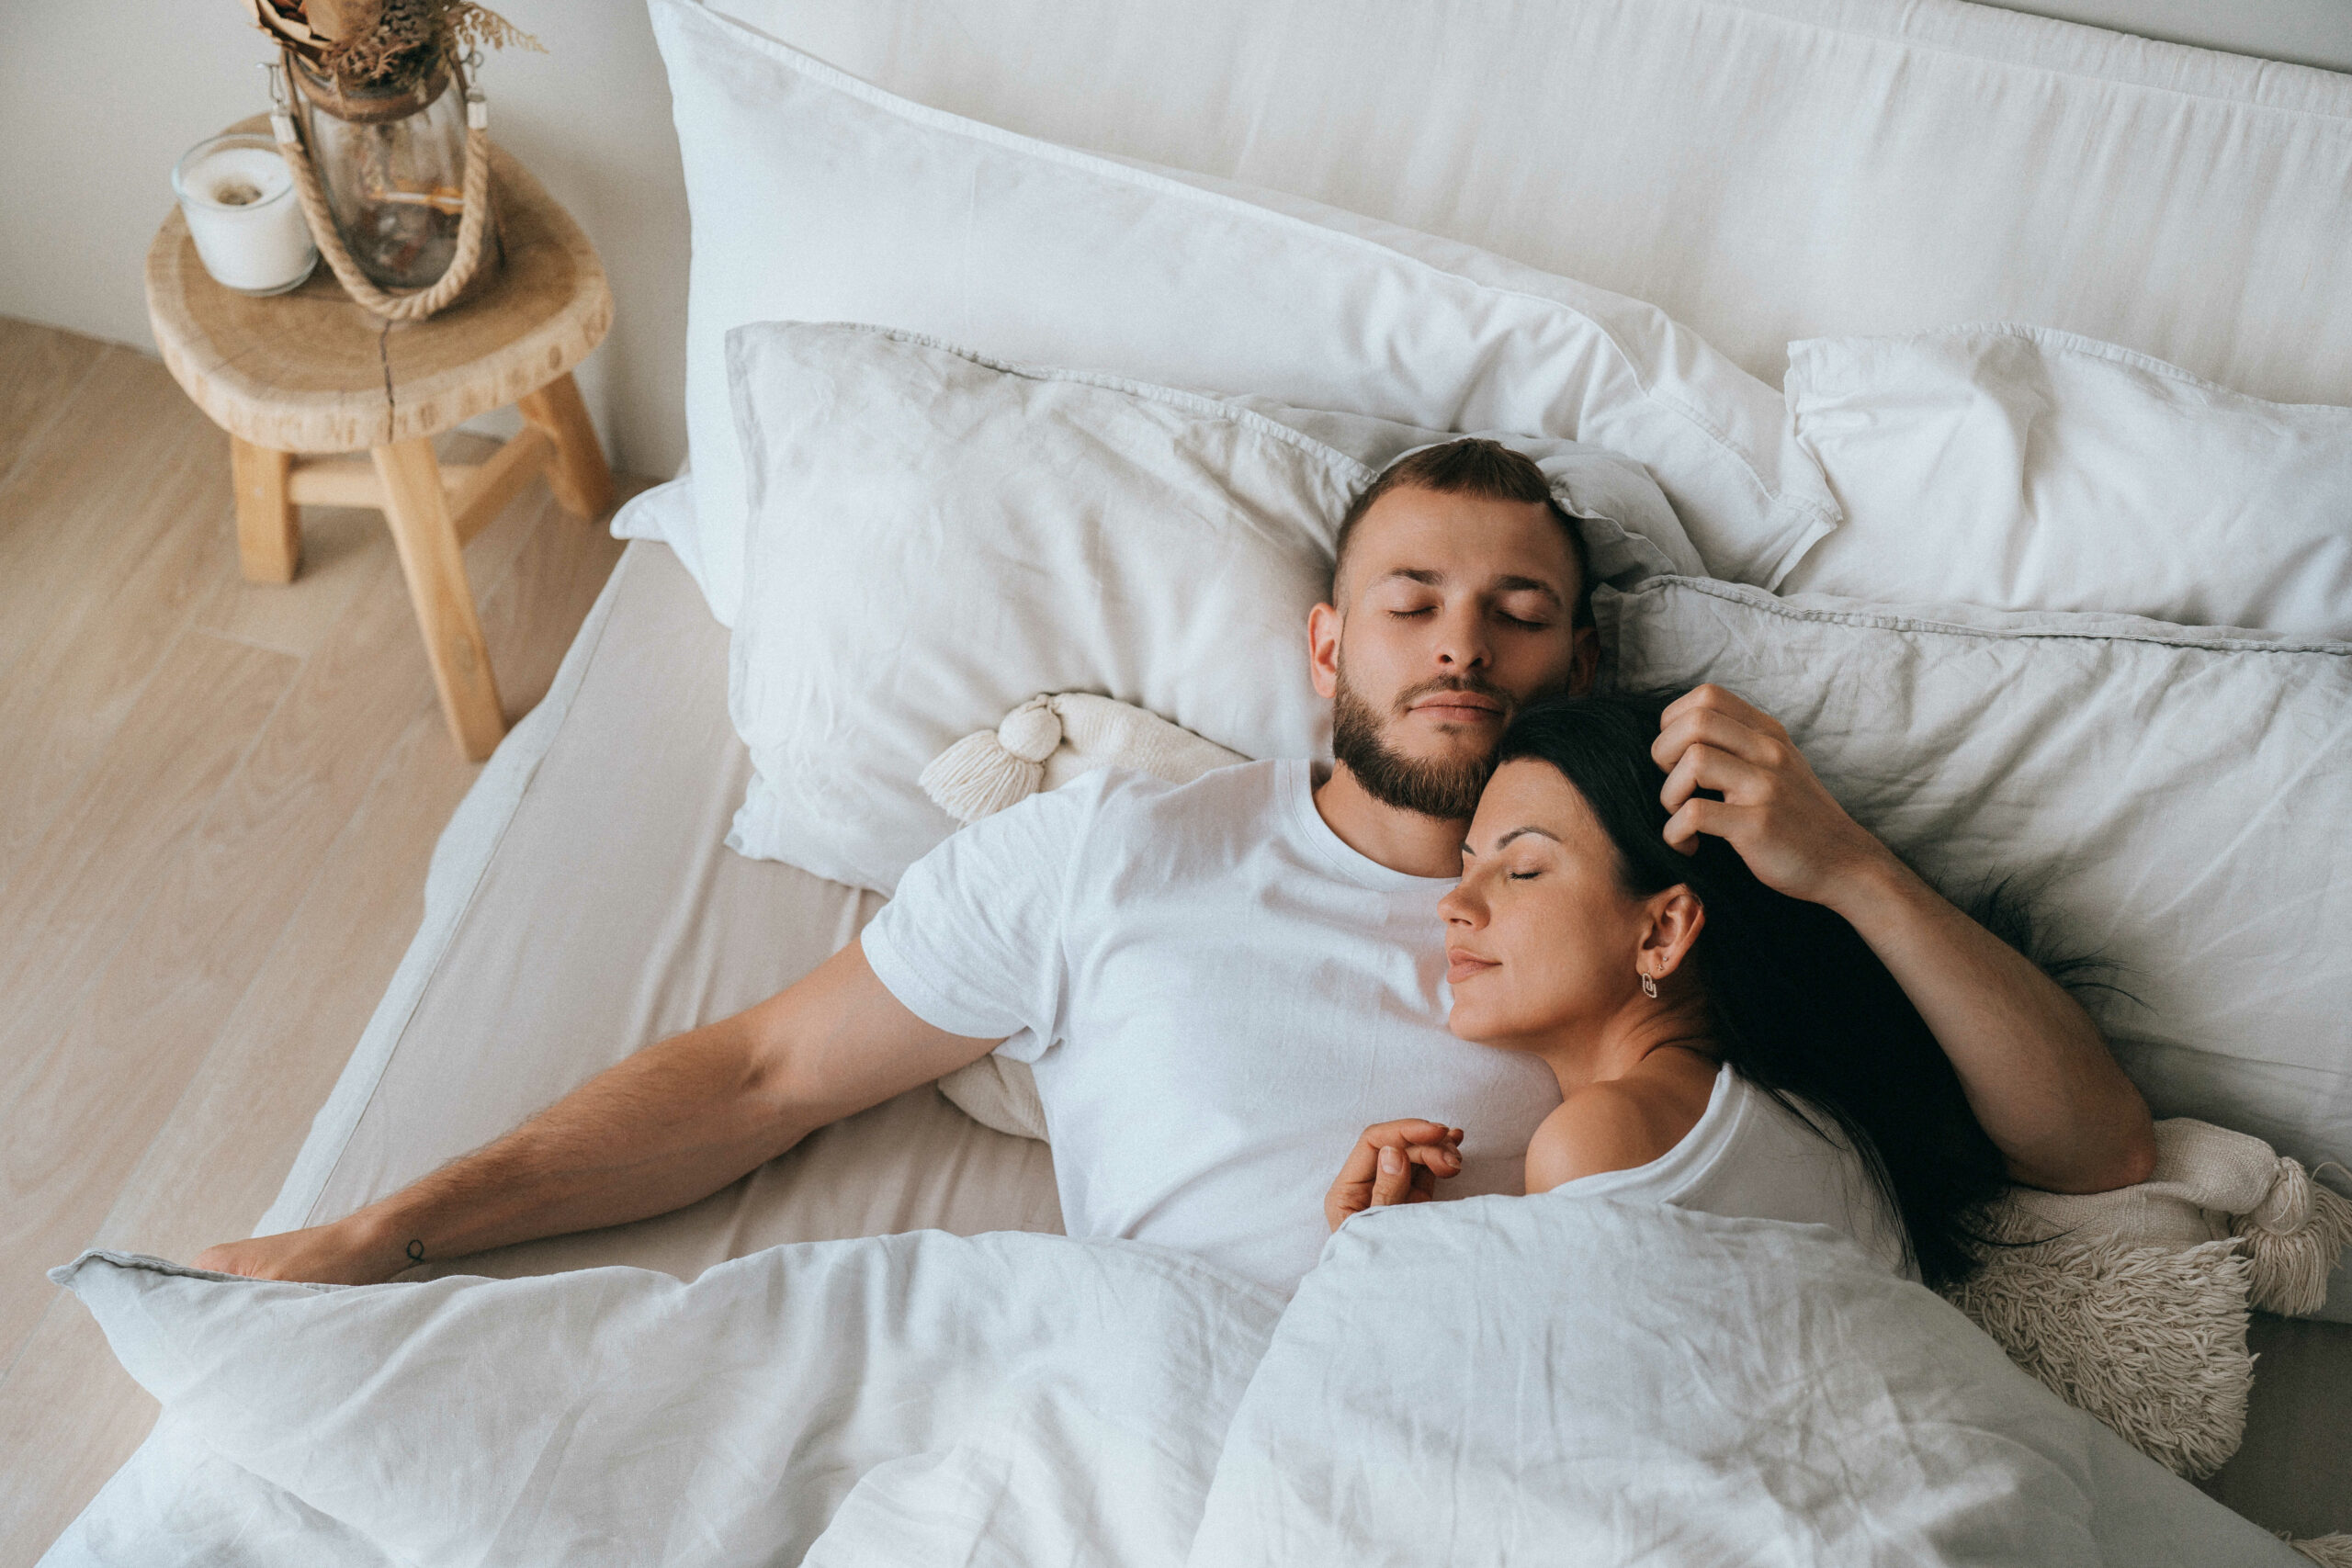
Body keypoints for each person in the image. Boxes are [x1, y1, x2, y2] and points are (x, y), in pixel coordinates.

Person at [195, 440, 2154, 1294]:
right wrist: (399, 1225)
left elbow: (2089, 1157)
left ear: (1580, 662)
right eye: (1409, 600)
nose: (1459, 642)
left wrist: (1857, 870)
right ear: (1326, 645)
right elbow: (761, 1079)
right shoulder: (1112, 851)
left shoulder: (1661, 896)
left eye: (1516, 612)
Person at [1323, 692, 2010, 1287]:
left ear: (1662, 931)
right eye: (1465, 868)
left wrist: (1377, 1268)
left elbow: (1559, 1414)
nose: (1454, 905)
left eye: (1523, 868)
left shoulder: (1599, 1137)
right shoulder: (1802, 1117)